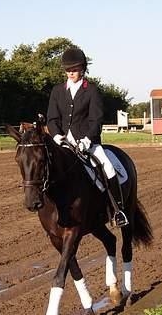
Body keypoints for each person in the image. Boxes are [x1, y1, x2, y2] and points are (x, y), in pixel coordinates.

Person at [46, 47, 128, 227]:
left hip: (87, 143)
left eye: (74, 69)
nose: (71, 73)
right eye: (68, 70)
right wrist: (57, 136)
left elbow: (96, 119)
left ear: (82, 69)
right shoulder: (57, 91)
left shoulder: (91, 90)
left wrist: (87, 140)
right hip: (64, 144)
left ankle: (118, 210)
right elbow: (52, 118)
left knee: (108, 167)